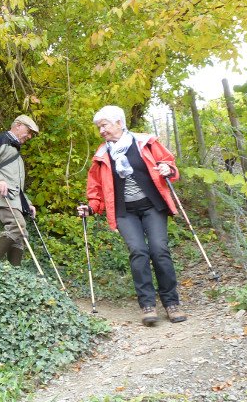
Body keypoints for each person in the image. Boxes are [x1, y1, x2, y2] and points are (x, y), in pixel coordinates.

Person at [76, 105, 187, 326]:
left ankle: (171, 303)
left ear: (119, 123)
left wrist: (168, 169)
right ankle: (147, 305)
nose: (101, 131)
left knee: (159, 250)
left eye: (104, 125)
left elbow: (169, 164)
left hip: (153, 206)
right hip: (124, 212)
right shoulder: (102, 154)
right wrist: (91, 207)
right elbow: (96, 188)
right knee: (138, 251)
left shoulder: (145, 142)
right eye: (99, 127)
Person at [0, 115, 39, 266]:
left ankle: (14, 273)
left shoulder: (15, 152)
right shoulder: (1, 139)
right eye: (29, 131)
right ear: (18, 125)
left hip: (9, 197)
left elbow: (15, 185)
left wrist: (27, 203)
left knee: (21, 234)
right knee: (18, 225)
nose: (29, 136)